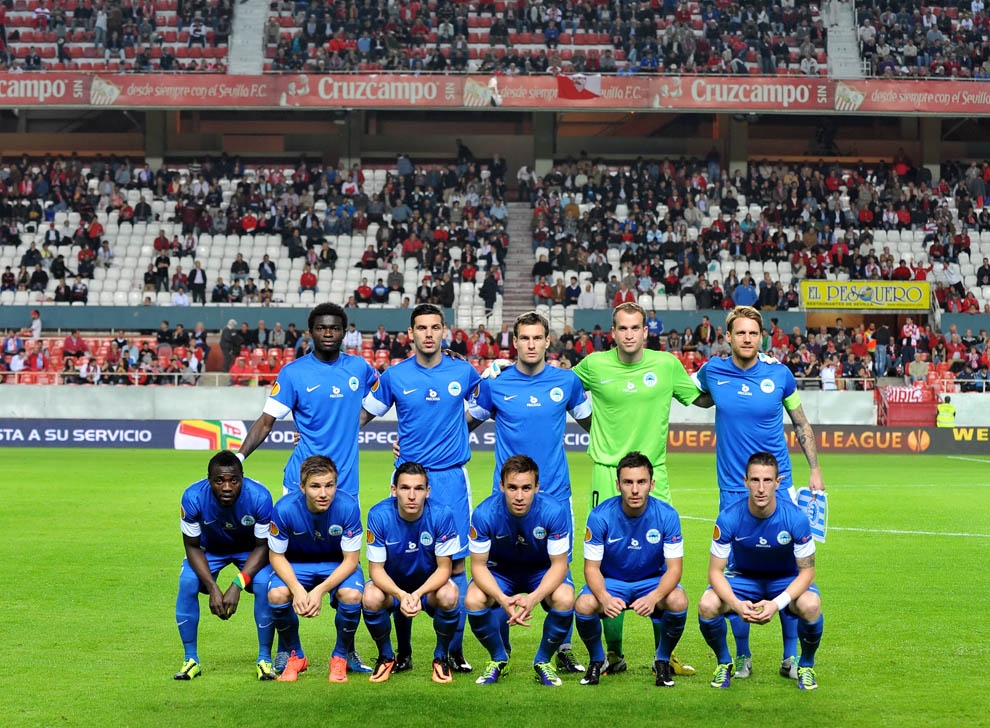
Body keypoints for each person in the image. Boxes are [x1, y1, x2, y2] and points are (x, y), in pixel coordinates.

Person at [483, 302, 702, 676]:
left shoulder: (666, 365)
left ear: (646, 331)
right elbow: (549, 380)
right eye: (622, 328)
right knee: (608, 563)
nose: (629, 334)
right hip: (605, 474)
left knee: (658, 562)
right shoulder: (592, 366)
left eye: (635, 327)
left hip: (654, 473)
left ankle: (664, 655)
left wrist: (735, 367)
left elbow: (704, 397)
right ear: (612, 332)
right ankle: (611, 653)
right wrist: (500, 371)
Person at [693, 305, 824, 679]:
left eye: (753, 332)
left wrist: (815, 469)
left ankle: (790, 656)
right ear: (728, 337)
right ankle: (743, 656)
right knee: (737, 572)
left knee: (786, 569)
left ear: (761, 336)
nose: (747, 338)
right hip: (733, 489)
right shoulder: (713, 372)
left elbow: (801, 423)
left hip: (778, 486)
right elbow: (692, 395)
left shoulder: (779, 374)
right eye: (740, 332)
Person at [466, 310, 592, 673]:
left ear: (548, 341)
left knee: (561, 575)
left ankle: (563, 649)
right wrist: (412, 445)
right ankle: (501, 649)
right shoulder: (496, 384)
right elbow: (461, 425)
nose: (531, 344)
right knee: (495, 569)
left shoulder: (566, 382)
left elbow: (596, 425)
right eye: (525, 338)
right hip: (506, 499)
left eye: (538, 337)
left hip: (555, 494)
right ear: (515, 342)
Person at [362, 303, 481, 673]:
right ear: (410, 334)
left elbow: (487, 406)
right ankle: (403, 651)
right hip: (409, 479)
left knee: (456, 566)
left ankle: (453, 650)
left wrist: (457, 433)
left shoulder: (464, 372)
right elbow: (361, 414)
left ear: (444, 331)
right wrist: (318, 436)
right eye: (421, 328)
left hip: (450, 479)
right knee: (400, 565)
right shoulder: (395, 376)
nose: (428, 334)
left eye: (434, 327)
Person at [697, 452, 824, 691]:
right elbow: (715, 572)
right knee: (707, 604)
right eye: (755, 480)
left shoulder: (796, 518)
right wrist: (736, 604)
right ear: (745, 481)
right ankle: (724, 662)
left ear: (778, 482)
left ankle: (806, 665)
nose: (761, 488)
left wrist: (776, 604)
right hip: (743, 578)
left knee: (811, 605)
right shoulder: (728, 517)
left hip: (785, 578)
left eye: (767, 480)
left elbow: (807, 573)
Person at [239, 303, 379, 507]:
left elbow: (386, 393)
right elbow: (266, 422)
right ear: (311, 332)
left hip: (345, 483)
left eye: (335, 328)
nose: (328, 333)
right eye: (321, 328)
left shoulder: (359, 367)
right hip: (301, 481)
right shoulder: (293, 372)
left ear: (343, 333)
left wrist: (356, 422)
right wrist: (239, 457)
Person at [574, 452, 688, 687]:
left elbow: (674, 569)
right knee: (583, 605)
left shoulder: (667, 515)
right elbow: (591, 568)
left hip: (651, 581)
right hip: (612, 582)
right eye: (628, 482)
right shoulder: (599, 516)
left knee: (678, 600)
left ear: (651, 484)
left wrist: (654, 597)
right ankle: (598, 660)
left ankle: (662, 660)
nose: (635, 490)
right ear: (618, 485)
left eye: (641, 482)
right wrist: (604, 597)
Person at [465, 455, 575, 687]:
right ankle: (498, 658)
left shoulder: (554, 511)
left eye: (526, 488)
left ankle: (543, 661)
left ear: (537, 487)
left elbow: (559, 565)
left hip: (541, 571)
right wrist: (501, 598)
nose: (519, 496)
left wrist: (533, 598)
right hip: (500, 572)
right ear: (501, 486)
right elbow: (477, 566)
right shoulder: (484, 513)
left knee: (565, 598)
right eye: (512, 487)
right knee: (473, 599)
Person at [174, 451, 276, 681]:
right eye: (219, 481)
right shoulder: (193, 497)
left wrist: (237, 584)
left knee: (264, 585)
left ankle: (265, 659)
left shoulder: (260, 497)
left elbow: (263, 547)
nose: (227, 487)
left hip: (251, 551)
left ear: (242, 478)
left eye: (234, 480)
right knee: (188, 581)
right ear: (209, 480)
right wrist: (212, 587)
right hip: (210, 550)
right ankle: (191, 659)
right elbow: (192, 546)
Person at [266, 455, 367, 682]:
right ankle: (295, 655)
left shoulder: (349, 507)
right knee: (277, 594)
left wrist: (319, 591)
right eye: (315, 486)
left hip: (337, 564)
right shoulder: (284, 509)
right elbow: (276, 556)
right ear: (302, 487)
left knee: (352, 595)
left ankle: (341, 656)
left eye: (329, 485)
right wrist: (297, 589)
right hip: (296, 564)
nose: (323, 493)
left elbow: (351, 560)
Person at [361, 462, 462, 684]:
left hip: (429, 588)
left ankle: (440, 658)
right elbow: (376, 570)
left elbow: (445, 569)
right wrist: (401, 594)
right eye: (405, 488)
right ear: (393, 490)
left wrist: (417, 594)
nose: (412, 496)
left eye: (418, 488)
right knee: (370, 596)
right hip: (392, 588)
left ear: (428, 491)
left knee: (450, 593)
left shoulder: (442, 514)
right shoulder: (378, 515)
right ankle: (387, 657)